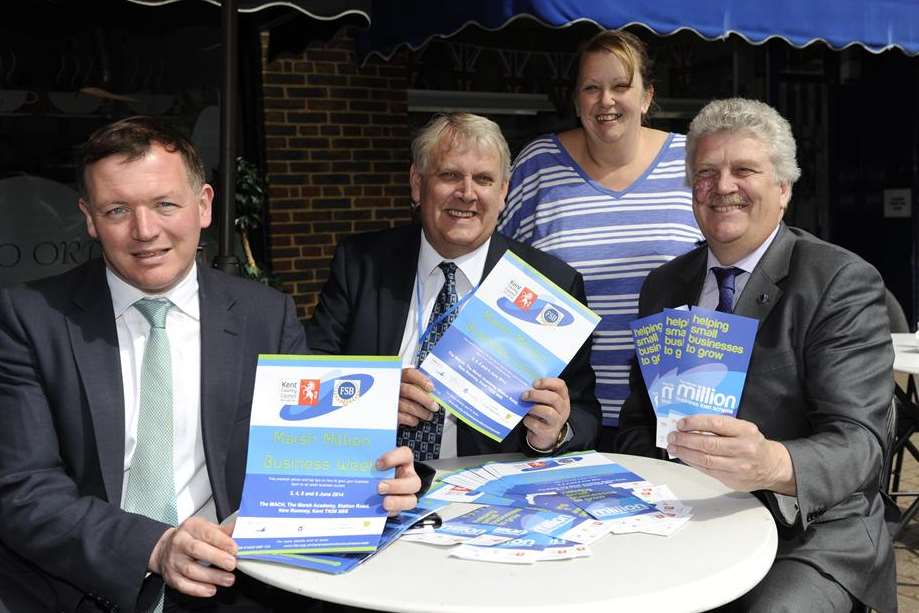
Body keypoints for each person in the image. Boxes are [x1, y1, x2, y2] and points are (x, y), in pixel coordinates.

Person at [0, 116, 421, 613]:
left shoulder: (266, 315)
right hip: (83, 591)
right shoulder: (29, 318)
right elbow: (23, 488)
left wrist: (373, 481)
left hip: (232, 589)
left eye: (165, 204)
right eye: (117, 210)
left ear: (203, 206)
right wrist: (153, 547)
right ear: (89, 218)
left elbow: (310, 454)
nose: (145, 231)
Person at [617, 98, 896, 612]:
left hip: (808, 534)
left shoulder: (839, 281)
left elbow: (861, 443)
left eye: (744, 169)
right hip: (684, 517)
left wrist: (773, 462)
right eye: (706, 172)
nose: (723, 187)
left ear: (784, 188)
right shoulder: (662, 287)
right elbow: (636, 423)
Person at [307, 112, 600, 460]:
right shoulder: (361, 265)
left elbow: (584, 413)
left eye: (484, 179)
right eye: (449, 175)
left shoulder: (551, 285)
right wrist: (373, 398)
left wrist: (554, 432)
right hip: (373, 475)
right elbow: (309, 377)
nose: (467, 193)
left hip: (490, 494)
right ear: (417, 183)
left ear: (504, 191)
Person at [498, 30, 702, 450]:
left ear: (647, 96)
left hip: (673, 415)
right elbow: (497, 276)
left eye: (620, 86)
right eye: (591, 88)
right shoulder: (538, 166)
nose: (605, 100)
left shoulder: (691, 163)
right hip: (561, 418)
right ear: (576, 101)